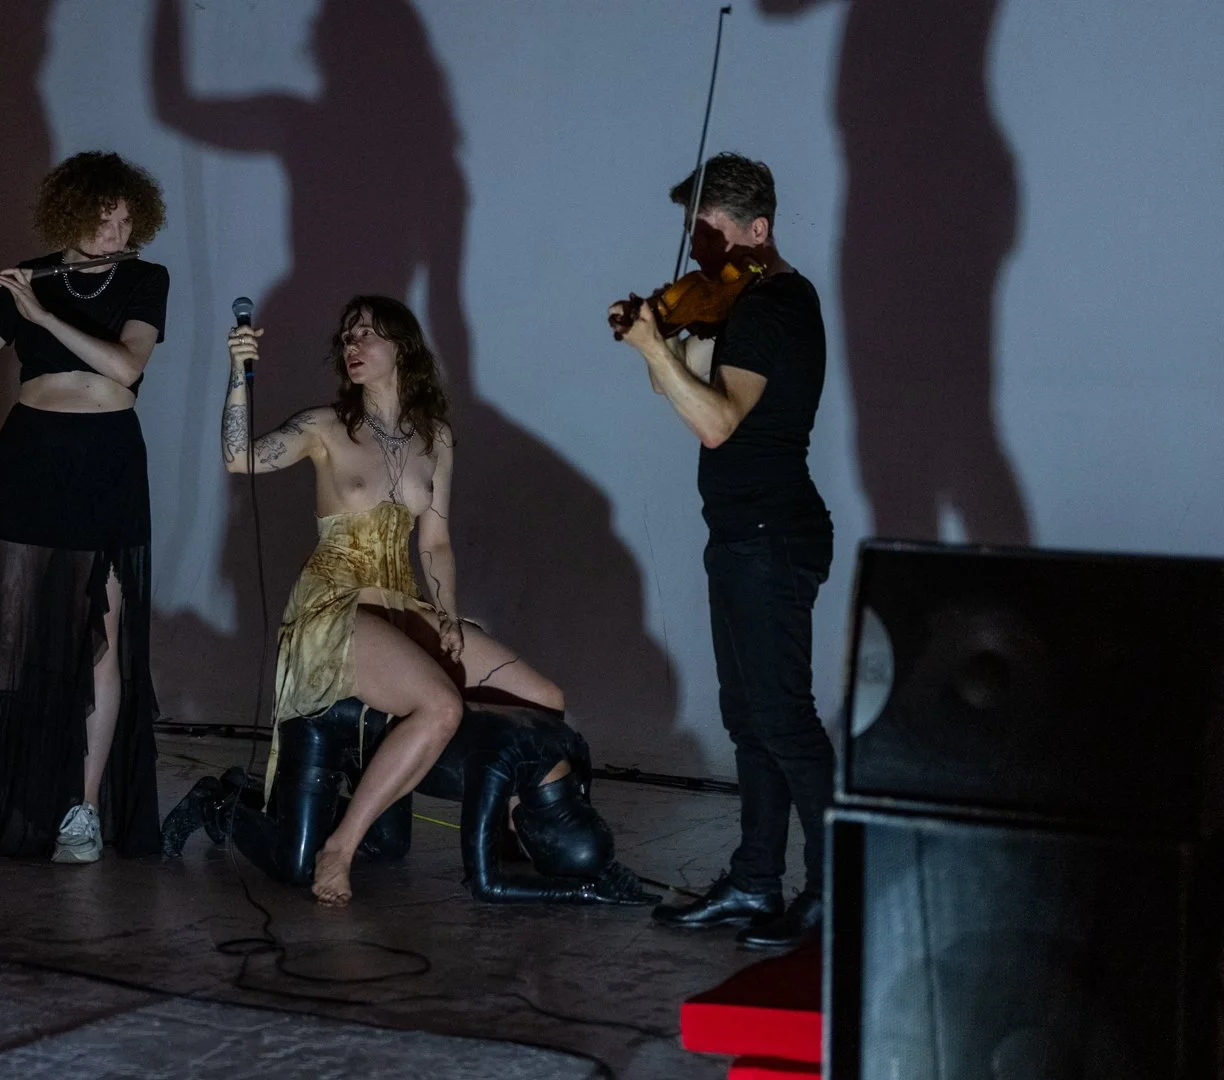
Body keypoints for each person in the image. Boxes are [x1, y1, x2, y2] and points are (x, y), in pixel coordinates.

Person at [221, 295, 572, 906]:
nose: (352, 344)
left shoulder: (435, 438)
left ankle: (513, 831)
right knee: (440, 707)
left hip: (403, 603)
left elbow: (434, 543)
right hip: (334, 604)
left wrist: (448, 614)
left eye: (367, 333)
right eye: (346, 335)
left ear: (403, 348)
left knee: (544, 699)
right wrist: (236, 373)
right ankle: (340, 847)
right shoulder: (323, 426)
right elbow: (238, 458)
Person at [610, 153, 834, 949]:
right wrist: (661, 337)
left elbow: (715, 423)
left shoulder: (773, 307)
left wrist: (653, 345)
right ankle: (755, 880)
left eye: (706, 230)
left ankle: (835, 893)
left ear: (756, 230)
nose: (696, 248)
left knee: (784, 719)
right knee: (749, 719)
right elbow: (678, 387)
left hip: (772, 534)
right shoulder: (740, 304)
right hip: (743, 534)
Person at [0, 151, 169, 863]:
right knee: (12, 634)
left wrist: (42, 313)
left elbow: (126, 365)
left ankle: (84, 811)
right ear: (71, 214)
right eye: (103, 220)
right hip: (32, 457)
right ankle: (5, 799)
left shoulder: (145, 278)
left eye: (126, 221)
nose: (116, 233)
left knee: (103, 635)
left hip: (105, 459)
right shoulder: (25, 276)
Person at [162, 695, 660, 905]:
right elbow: (485, 885)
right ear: (530, 829)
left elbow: (583, 808)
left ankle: (248, 791)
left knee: (387, 845)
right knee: (298, 866)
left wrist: (602, 867)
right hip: (330, 716)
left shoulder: (570, 747)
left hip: (381, 743)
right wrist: (582, 892)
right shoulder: (500, 765)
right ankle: (214, 803)